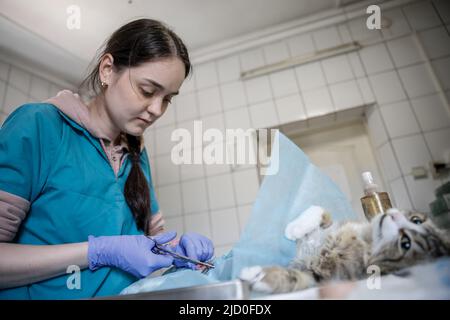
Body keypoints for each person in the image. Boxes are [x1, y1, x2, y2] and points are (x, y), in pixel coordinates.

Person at [0, 18, 214, 299]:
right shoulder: (39, 126)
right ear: (108, 70)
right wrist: (99, 251)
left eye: (167, 99)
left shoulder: (138, 155)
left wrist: (180, 253)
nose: (156, 109)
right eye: (148, 91)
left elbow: (149, 249)